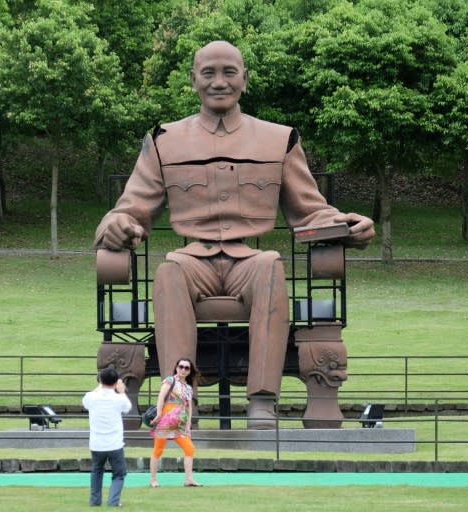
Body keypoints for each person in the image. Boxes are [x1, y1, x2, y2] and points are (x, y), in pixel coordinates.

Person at [94, 40, 376, 429]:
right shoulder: (165, 140)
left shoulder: (279, 139)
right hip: (193, 261)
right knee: (169, 269)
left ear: (245, 78)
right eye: (208, 73)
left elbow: (309, 210)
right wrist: (116, 225)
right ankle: (177, 401)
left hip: (249, 262)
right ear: (193, 80)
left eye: (229, 72)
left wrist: (347, 227)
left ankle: (262, 400)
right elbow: (131, 208)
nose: (219, 82)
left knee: (270, 266)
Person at [82, 367, 132, 507]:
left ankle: (95, 500)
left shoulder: (91, 397)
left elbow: (86, 400)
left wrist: (100, 386)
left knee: (97, 471)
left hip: (97, 443)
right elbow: (127, 407)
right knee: (119, 474)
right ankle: (113, 501)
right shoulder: (118, 399)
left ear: (100, 380)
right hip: (114, 444)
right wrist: (121, 391)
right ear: (116, 382)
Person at [149, 358, 201, 488]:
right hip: (165, 421)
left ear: (189, 371)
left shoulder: (188, 388)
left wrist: (189, 424)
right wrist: (159, 414)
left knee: (189, 448)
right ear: (176, 367)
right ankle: (153, 480)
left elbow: (188, 407)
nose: (183, 370)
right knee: (158, 449)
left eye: (186, 368)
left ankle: (189, 479)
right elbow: (161, 397)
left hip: (180, 424)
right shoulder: (169, 381)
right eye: (181, 366)